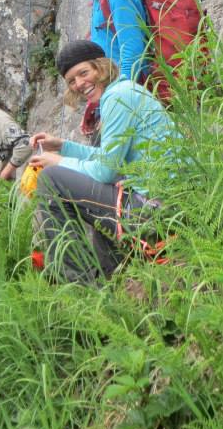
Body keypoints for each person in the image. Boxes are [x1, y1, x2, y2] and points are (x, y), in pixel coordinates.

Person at [29, 40, 175, 284]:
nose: (78, 84)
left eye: (83, 73)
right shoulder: (125, 91)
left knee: (51, 179)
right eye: (71, 81)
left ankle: (78, 284)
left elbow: (105, 171)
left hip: (154, 212)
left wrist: (58, 162)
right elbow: (109, 160)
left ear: (101, 67)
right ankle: (108, 277)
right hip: (165, 206)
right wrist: (64, 146)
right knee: (94, 191)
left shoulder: (117, 98)